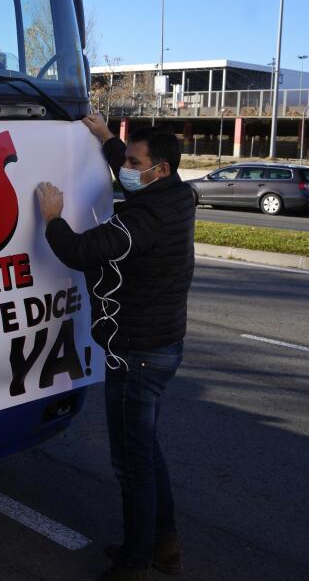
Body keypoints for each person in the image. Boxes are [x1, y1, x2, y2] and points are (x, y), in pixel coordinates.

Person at [34, 114, 195, 581]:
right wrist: (107, 137)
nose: (125, 167)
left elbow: (80, 251)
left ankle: (134, 562)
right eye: (125, 159)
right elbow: (125, 161)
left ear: (158, 169)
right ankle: (164, 546)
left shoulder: (141, 222)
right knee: (146, 452)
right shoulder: (178, 195)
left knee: (132, 466)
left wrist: (52, 217)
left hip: (137, 353)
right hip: (163, 346)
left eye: (134, 162)